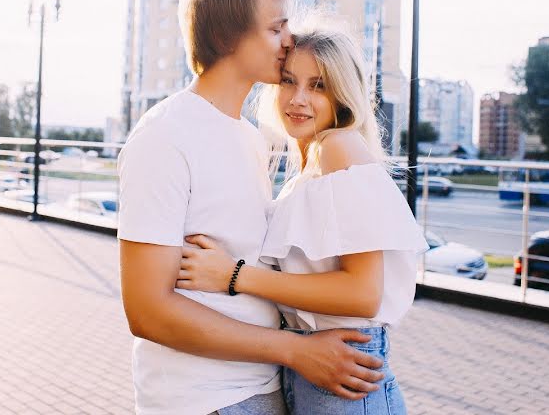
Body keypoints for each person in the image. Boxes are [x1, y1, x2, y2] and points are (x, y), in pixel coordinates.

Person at [118, 0, 386, 415]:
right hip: (203, 399)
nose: (289, 40)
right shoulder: (164, 135)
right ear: (226, 37)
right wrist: (295, 351)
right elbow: (147, 311)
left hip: (266, 385)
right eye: (275, 28)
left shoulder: (248, 137)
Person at [177, 24, 429, 414]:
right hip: (309, 372)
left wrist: (233, 275)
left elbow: (363, 294)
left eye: (318, 86)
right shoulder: (310, 163)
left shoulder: (339, 148)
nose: (298, 99)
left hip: (344, 374)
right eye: (289, 81)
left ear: (342, 95)